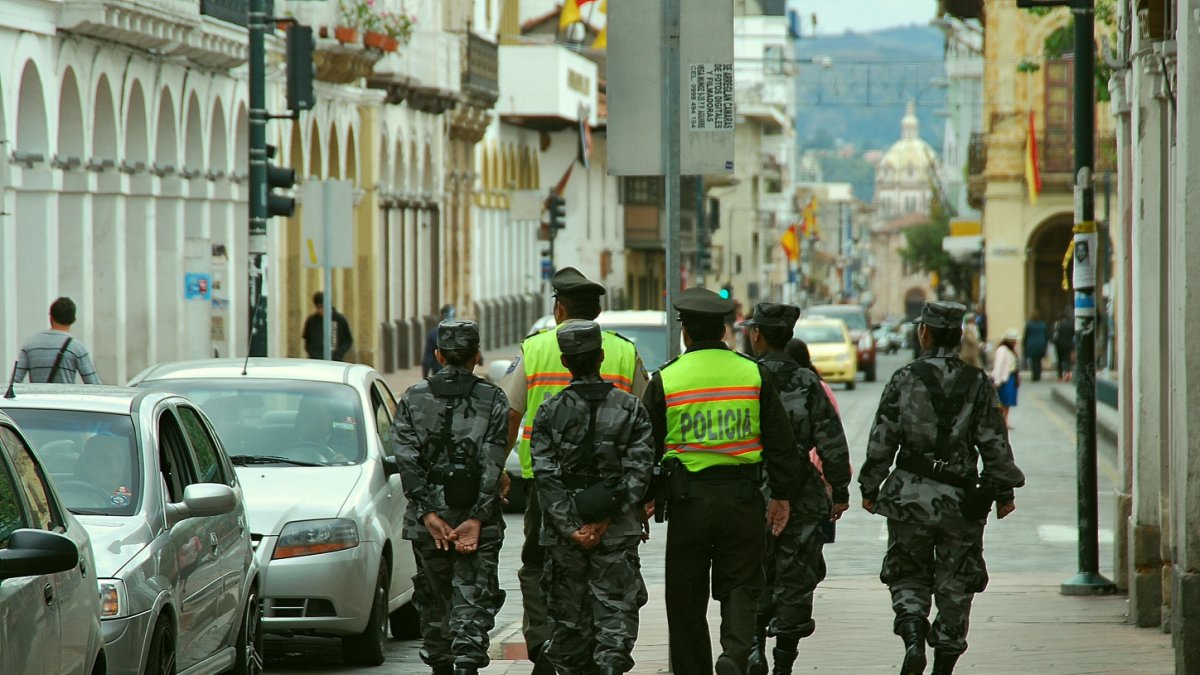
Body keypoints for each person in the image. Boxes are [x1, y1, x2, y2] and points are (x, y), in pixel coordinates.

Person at [641, 287, 809, 675]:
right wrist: (781, 495)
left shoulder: (667, 379)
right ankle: (734, 653)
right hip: (742, 497)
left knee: (685, 596)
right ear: (723, 331)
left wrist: (646, 499)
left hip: (688, 502)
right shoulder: (753, 373)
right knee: (742, 585)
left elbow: (646, 447)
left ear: (686, 333)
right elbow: (783, 445)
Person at [860, 301, 1025, 675]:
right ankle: (943, 666)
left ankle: (914, 636)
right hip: (961, 503)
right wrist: (1003, 492)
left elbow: (882, 437)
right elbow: (994, 443)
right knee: (956, 586)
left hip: (909, 499)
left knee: (907, 573)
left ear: (924, 333)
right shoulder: (979, 383)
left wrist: (870, 487)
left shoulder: (904, 378)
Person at [498, 266, 648, 672]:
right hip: (616, 502)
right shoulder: (625, 350)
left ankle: (547, 648)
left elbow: (511, 417)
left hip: (551, 499)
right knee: (615, 587)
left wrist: (497, 468)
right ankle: (609, 656)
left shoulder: (534, 349)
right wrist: (632, 503)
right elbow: (644, 435)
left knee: (542, 572)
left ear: (559, 307)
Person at [529, 321, 655, 675]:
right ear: (601, 357)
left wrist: (571, 527)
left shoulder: (549, 411)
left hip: (564, 537)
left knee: (569, 624)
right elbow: (639, 472)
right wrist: (605, 519)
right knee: (616, 616)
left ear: (565, 362)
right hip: (616, 532)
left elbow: (545, 475)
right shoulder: (631, 409)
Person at [391, 320, 509, 675]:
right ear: (477, 356)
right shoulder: (493, 398)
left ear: (439, 355)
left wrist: (428, 514)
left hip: (430, 523)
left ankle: (441, 664)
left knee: (433, 596)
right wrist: (476, 517)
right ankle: (467, 666)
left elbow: (407, 461)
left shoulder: (413, 397)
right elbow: (493, 462)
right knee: (473, 598)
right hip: (478, 520)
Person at [741, 305, 851, 675]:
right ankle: (783, 661)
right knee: (798, 575)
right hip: (801, 488)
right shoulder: (807, 382)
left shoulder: (745, 377)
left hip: (751, 487)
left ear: (757, 335)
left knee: (753, 568)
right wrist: (839, 490)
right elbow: (831, 440)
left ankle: (754, 646)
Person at [15, 296, 101, 384]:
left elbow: (15, 382)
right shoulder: (77, 347)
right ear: (73, 319)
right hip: (63, 397)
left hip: (38, 397)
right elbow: (94, 384)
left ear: (51, 316)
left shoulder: (30, 344)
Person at [302, 291, 354, 361]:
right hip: (316, 360)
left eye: (322, 307)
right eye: (318, 307)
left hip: (336, 360)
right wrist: (315, 355)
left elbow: (348, 341)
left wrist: (338, 354)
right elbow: (308, 342)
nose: (320, 310)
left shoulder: (339, 320)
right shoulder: (311, 321)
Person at [991, 329, 1020, 428]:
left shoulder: (1010, 350)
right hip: (1004, 379)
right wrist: (997, 380)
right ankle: (1002, 421)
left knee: (1007, 403)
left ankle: (1005, 420)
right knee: (1003, 402)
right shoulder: (1002, 350)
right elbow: (998, 366)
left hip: (1010, 377)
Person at [423, 305, 458, 377]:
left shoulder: (433, 333)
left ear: (441, 316)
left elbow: (428, 358)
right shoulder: (460, 333)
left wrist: (425, 377)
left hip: (438, 374)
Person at [1022, 311, 1049, 382]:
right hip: (1041, 344)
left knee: (1033, 361)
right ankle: (1038, 375)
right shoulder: (1043, 325)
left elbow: (1025, 336)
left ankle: (1035, 376)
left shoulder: (1029, 325)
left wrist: (1024, 345)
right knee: (1039, 360)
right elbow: (1046, 336)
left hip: (1032, 344)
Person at [1053, 309, 1075, 382]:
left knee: (1059, 361)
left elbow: (1055, 335)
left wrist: (1055, 343)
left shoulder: (1058, 324)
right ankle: (1067, 376)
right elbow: (1073, 334)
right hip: (1068, 345)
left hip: (1059, 345)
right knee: (1067, 361)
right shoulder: (1070, 324)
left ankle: (1060, 377)